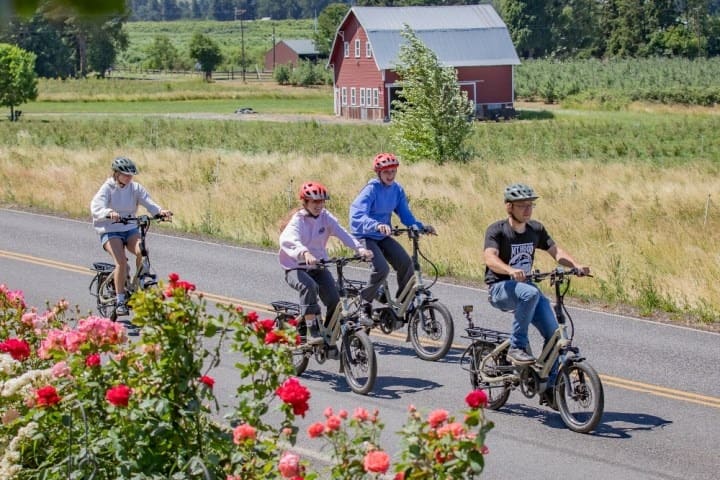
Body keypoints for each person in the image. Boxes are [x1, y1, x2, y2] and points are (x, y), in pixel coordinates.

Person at [483, 183, 590, 406]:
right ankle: (517, 346)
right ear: (509, 207)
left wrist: (576, 265)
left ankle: (548, 387)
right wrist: (511, 270)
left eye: (530, 205)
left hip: (527, 290)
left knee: (557, 337)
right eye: (522, 206)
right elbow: (490, 258)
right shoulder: (497, 230)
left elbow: (556, 251)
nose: (527, 210)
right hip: (500, 288)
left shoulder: (535, 230)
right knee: (530, 293)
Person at [279, 181, 373, 344]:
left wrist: (360, 249)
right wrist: (304, 253)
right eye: (314, 201)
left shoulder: (325, 217)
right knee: (309, 287)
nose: (319, 205)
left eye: (321, 201)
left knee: (334, 300)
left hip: (317, 265)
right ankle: (312, 329)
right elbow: (288, 239)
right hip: (296, 266)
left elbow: (342, 233)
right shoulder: (298, 220)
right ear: (305, 202)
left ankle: (328, 337)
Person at [349, 153, 435, 323]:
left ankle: (401, 303)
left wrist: (419, 226)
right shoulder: (371, 190)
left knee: (406, 263)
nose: (390, 175)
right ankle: (364, 305)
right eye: (386, 172)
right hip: (364, 236)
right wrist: (375, 225)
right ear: (378, 173)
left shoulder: (397, 190)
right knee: (381, 268)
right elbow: (356, 215)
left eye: (393, 171)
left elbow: (405, 214)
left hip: (382, 236)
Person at [90, 156, 172, 316]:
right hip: (110, 230)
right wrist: (109, 212)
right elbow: (96, 206)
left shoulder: (135, 188)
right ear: (117, 174)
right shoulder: (108, 188)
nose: (129, 178)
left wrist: (160, 212)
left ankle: (139, 283)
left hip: (129, 229)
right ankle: (120, 300)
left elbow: (149, 203)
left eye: (131, 175)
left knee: (143, 251)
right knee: (121, 262)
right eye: (125, 174)